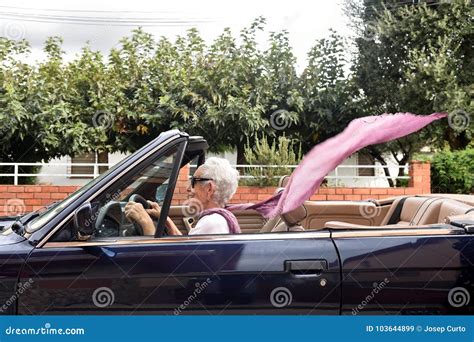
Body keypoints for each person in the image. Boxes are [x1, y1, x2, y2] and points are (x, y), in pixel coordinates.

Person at [124, 157, 241, 235]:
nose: (188, 188)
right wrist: (165, 220)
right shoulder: (216, 220)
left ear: (209, 189)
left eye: (194, 181)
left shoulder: (211, 223)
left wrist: (145, 221)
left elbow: (166, 263)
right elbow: (186, 246)